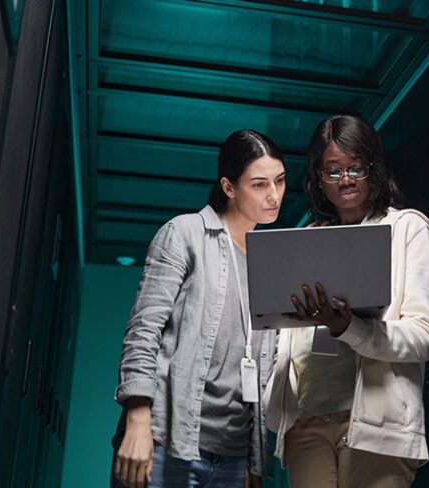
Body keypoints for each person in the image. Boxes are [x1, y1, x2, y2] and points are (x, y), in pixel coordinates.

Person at [263, 115, 429, 487]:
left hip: (378, 427)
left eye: (355, 167)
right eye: (332, 171)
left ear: (374, 169)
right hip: (307, 422)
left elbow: (424, 336)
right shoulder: (306, 238)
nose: (345, 179)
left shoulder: (408, 229)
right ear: (318, 180)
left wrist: (350, 328)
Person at [112, 129, 285, 488]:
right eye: (259, 184)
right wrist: (138, 423)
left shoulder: (272, 260)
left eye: (280, 181)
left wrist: (253, 462)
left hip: (234, 455)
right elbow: (144, 331)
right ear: (229, 186)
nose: (273, 195)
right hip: (166, 443)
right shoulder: (186, 233)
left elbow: (264, 364)